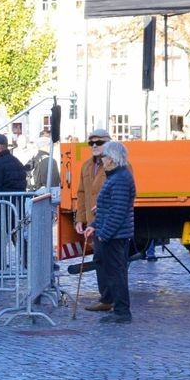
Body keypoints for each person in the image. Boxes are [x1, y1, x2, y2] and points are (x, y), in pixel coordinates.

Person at [74, 129, 131, 312]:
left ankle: (119, 305)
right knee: (100, 260)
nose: (95, 146)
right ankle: (106, 299)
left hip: (109, 225)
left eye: (99, 143)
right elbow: (81, 193)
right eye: (92, 143)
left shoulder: (121, 167)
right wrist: (81, 218)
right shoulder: (86, 166)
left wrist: (104, 229)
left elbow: (121, 201)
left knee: (115, 266)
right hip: (95, 222)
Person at [83, 140, 135, 324]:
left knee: (116, 273)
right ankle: (118, 309)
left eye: (104, 155)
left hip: (115, 236)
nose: (101, 158)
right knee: (114, 272)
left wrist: (104, 234)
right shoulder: (116, 177)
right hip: (112, 233)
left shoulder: (120, 179)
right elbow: (106, 208)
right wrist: (95, 225)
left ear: (112, 159)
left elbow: (118, 212)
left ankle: (121, 312)